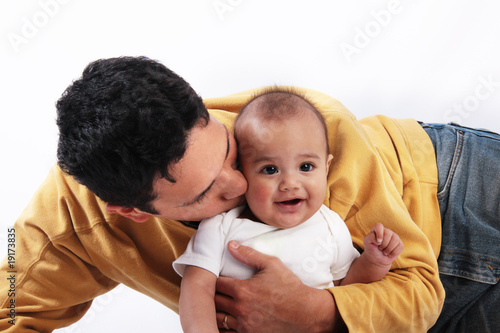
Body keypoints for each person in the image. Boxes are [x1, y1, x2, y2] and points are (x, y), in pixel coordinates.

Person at [0, 56, 498, 332]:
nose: (239, 185)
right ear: (130, 211)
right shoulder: (67, 225)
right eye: (204, 194)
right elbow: (11, 304)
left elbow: (418, 288)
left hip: (453, 187)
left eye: (229, 153)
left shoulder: (315, 131)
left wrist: (314, 312)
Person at [173, 89, 404, 332]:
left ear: (326, 167)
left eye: (306, 166)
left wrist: (375, 261)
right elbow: (197, 288)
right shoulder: (221, 226)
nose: (290, 183)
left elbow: (346, 285)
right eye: (270, 169)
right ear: (243, 172)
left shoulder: (330, 226)